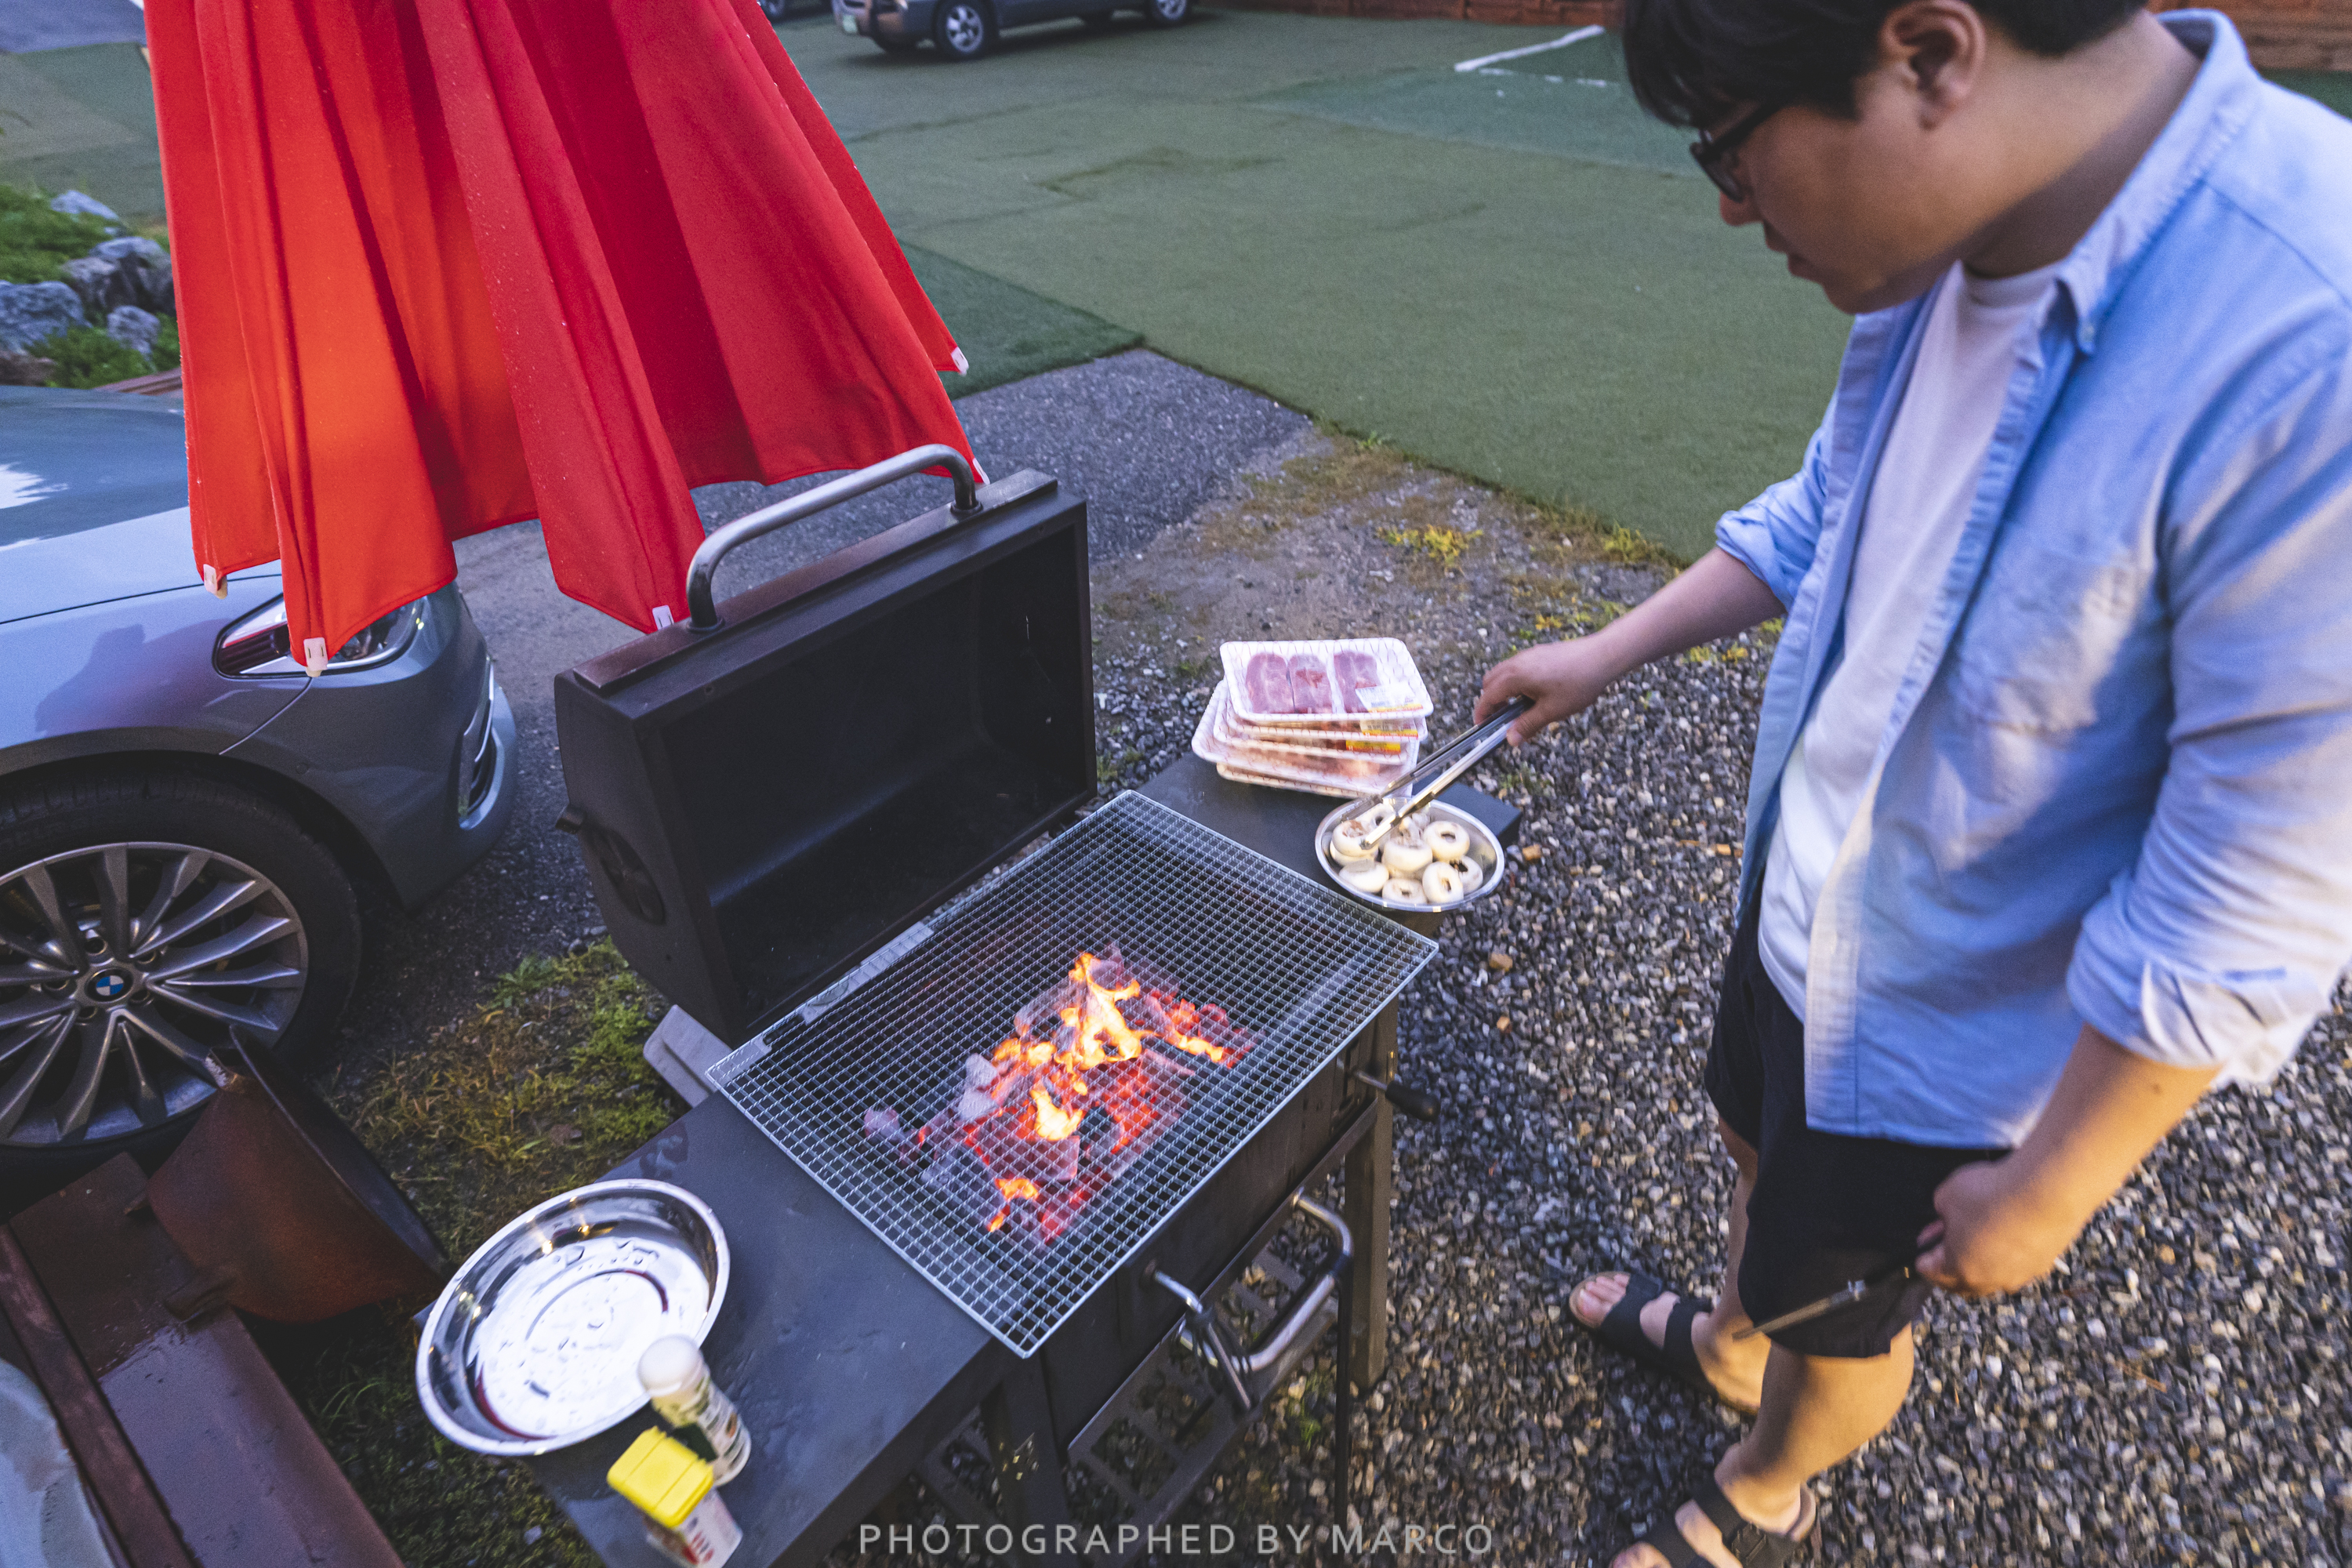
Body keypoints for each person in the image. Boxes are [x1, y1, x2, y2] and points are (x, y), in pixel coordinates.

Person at [1474, 2, 2352, 1563]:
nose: (1732, 208)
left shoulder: (2307, 328)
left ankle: (1767, 1484)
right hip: (1800, 896)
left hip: (1940, 1018)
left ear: (1934, 56)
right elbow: (1828, 506)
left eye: (1732, 153)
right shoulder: (1950, 229)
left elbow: (2264, 865)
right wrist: (1611, 649)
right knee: (1758, 1149)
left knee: (1842, 1313)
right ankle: (1734, 1339)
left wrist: (2058, 1182)